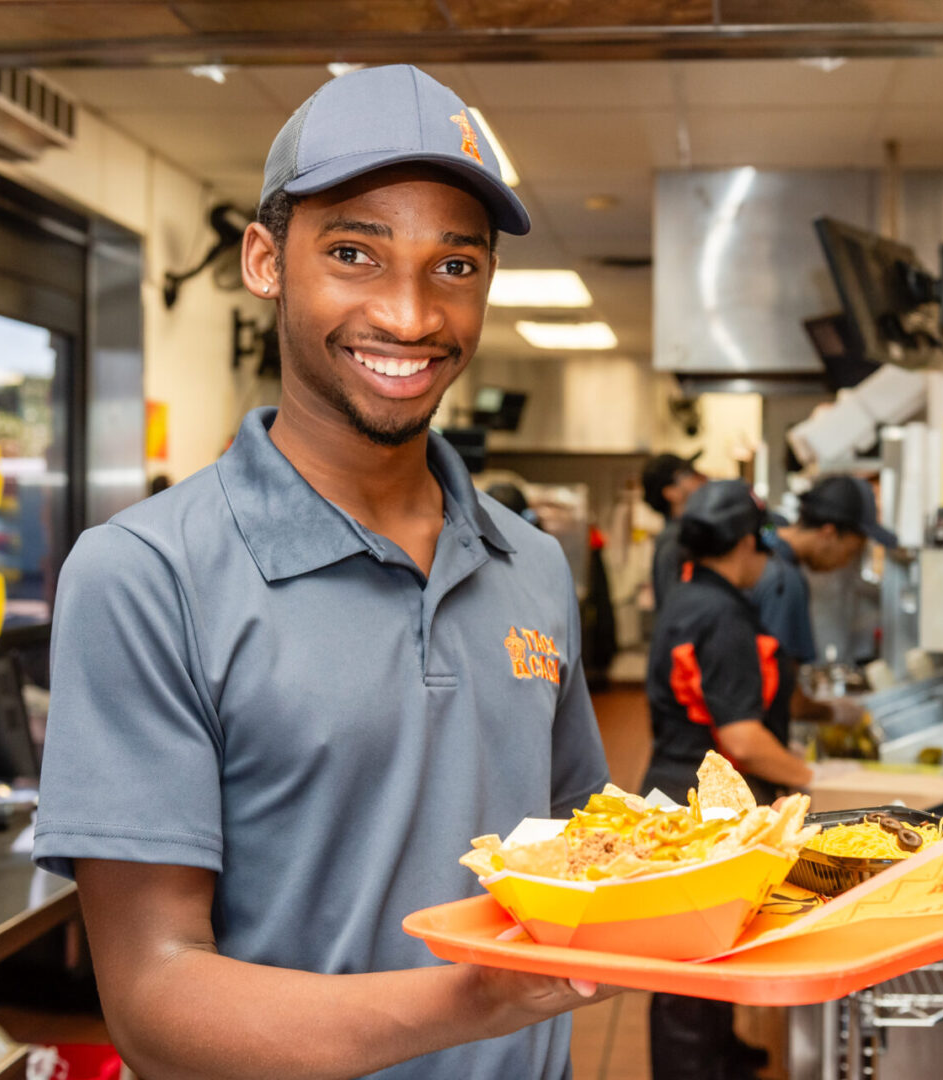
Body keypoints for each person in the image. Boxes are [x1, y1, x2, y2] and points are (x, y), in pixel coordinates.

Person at [32, 65, 614, 1080]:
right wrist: (477, 998)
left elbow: (579, 859)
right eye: (353, 252)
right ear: (265, 260)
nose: (409, 314)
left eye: (456, 267)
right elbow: (155, 1000)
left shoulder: (528, 563)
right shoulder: (145, 577)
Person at [642, 479, 814, 1080]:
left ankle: (719, 1051)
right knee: (688, 958)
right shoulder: (723, 615)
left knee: (707, 940)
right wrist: (810, 781)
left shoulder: (689, 596)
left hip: (675, 785)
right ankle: (694, 1067)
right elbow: (741, 737)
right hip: (702, 802)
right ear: (745, 544)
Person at [751, 473, 898, 666]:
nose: (845, 562)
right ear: (829, 533)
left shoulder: (767, 543)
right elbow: (778, 674)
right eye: (851, 552)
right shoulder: (785, 578)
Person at [642, 451, 706, 610]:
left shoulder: (686, 534)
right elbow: (674, 613)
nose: (700, 477)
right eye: (688, 473)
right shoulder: (675, 542)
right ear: (671, 492)